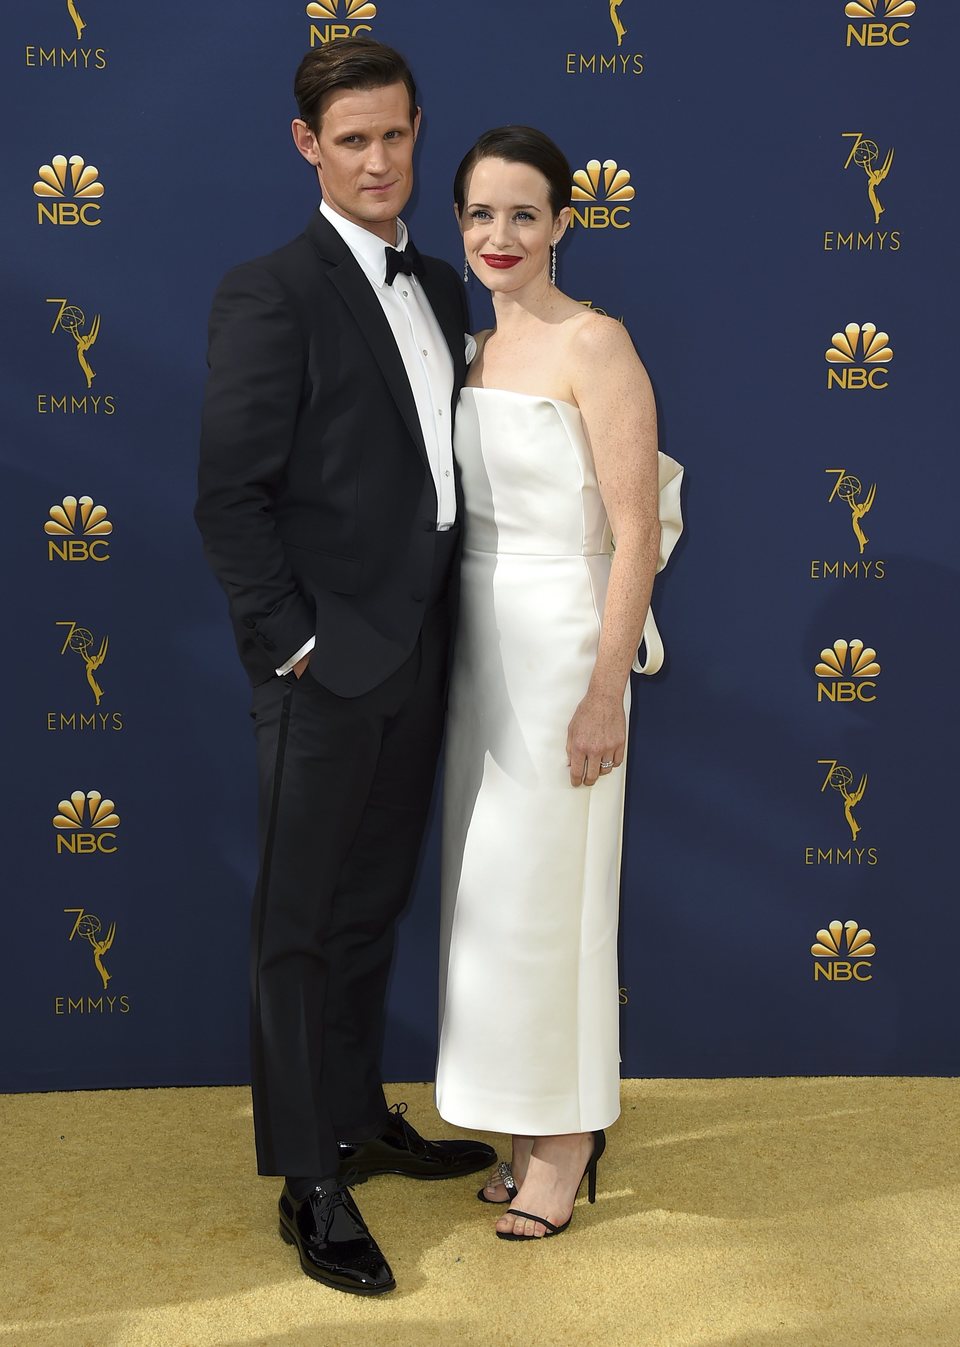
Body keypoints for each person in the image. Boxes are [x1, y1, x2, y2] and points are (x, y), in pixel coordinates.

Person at [195, 39, 494, 1297]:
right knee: (300, 923)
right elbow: (230, 497)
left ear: (420, 132)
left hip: (425, 649)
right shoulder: (270, 291)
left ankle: (361, 1113)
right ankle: (305, 1179)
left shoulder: (438, 275)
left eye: (397, 135)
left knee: (373, 904)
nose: (379, 161)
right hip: (326, 662)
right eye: (351, 139)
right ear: (308, 145)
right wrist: (295, 645)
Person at [436, 126, 665, 1241]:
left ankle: (568, 1141)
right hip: (480, 652)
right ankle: (522, 1123)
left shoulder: (598, 345)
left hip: (568, 644)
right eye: (480, 214)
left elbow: (635, 539)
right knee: (495, 906)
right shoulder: (472, 352)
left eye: (523, 213)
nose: (499, 235)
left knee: (557, 903)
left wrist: (604, 687)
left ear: (565, 223)